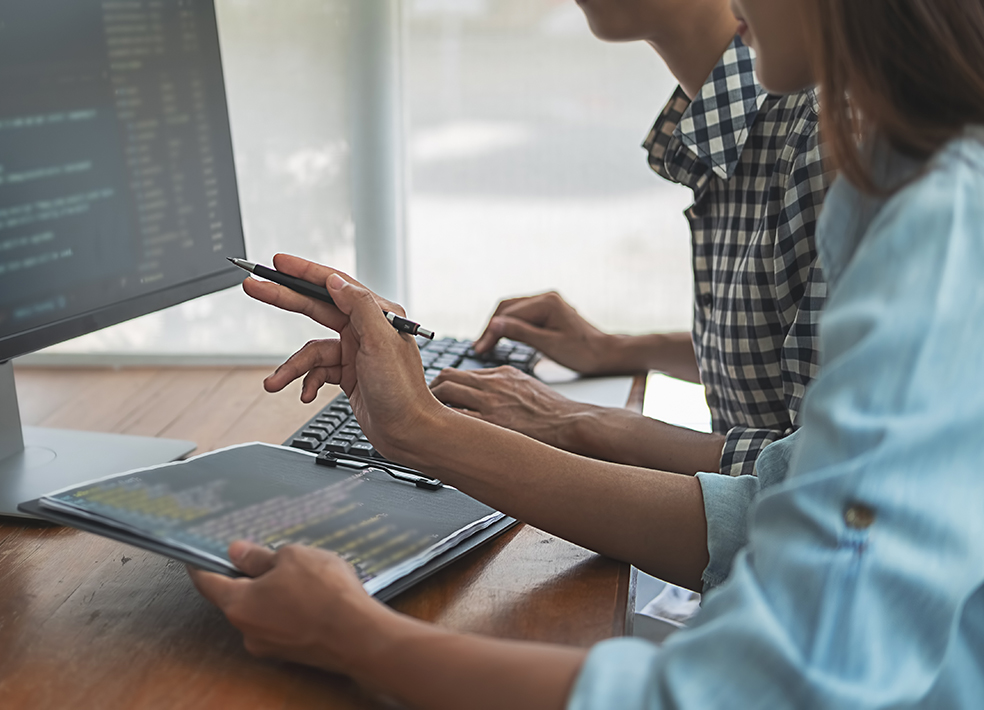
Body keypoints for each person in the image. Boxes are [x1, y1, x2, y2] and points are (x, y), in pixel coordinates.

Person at [190, 0, 984, 706]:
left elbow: (763, 687)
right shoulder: (897, 190)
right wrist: (419, 431)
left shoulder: (942, 228)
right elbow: (768, 510)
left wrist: (358, 640)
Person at [430, 0, 829, 480]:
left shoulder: (823, 137)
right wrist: (612, 350)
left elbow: (817, 477)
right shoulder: (759, 114)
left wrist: (577, 421)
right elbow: (781, 356)